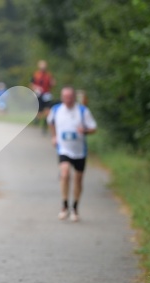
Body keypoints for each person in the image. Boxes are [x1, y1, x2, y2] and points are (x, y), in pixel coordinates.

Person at [47, 86, 97, 222]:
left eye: (70, 97)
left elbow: (93, 128)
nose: (67, 100)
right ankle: (64, 206)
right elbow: (50, 122)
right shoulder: (56, 110)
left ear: (74, 97)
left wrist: (85, 130)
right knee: (65, 173)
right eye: (65, 97)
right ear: (62, 97)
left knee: (78, 179)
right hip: (64, 149)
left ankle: (75, 207)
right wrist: (54, 136)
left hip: (80, 151)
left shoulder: (83, 110)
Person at [30, 60, 56, 133]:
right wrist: (37, 88)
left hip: (47, 94)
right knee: (40, 112)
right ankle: (37, 119)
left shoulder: (49, 75)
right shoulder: (36, 74)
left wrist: (52, 83)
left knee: (48, 110)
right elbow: (32, 84)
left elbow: (52, 84)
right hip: (39, 95)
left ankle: (45, 125)